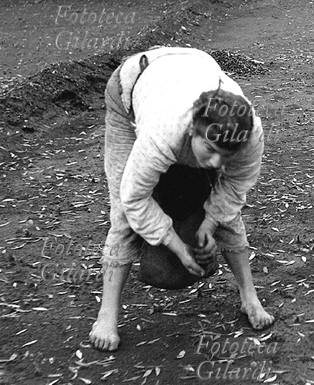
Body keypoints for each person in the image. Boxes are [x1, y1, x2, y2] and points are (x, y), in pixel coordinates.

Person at [90, 46, 274, 351]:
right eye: (210, 150)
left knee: (228, 211)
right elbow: (134, 198)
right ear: (192, 130)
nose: (216, 163)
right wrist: (176, 245)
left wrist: (210, 224)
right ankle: (107, 315)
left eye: (225, 155)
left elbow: (234, 187)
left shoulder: (248, 134)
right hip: (133, 84)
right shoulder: (163, 132)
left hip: (194, 68)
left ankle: (250, 298)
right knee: (123, 212)